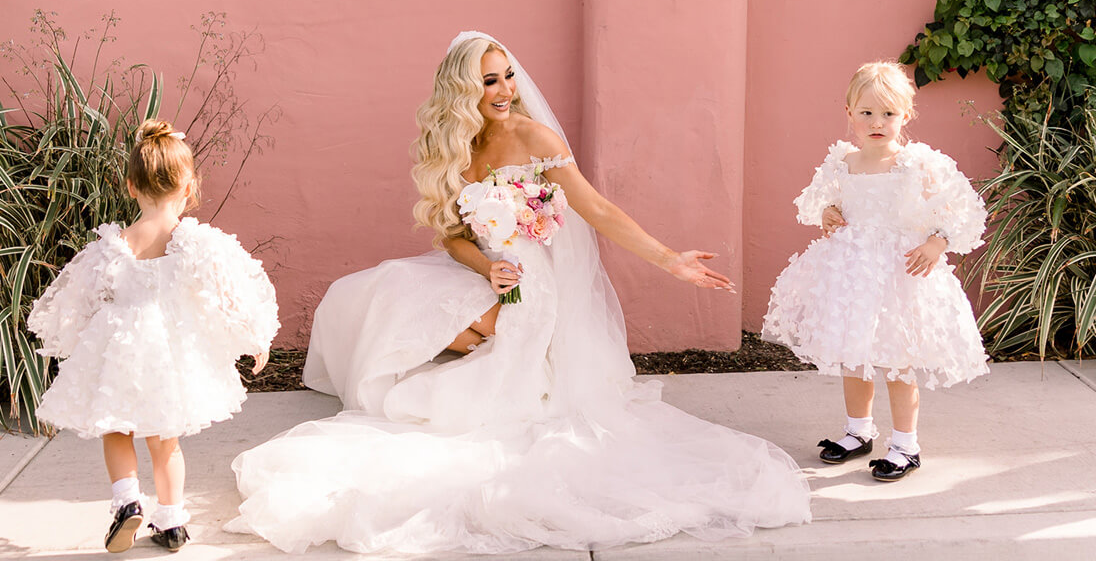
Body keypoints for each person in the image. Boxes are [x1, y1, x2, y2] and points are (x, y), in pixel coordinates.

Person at [226, 32, 810, 554]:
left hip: (535, 284)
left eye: (507, 75)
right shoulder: (455, 145)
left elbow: (596, 208)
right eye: (489, 80)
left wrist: (669, 260)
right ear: (462, 91)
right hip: (487, 270)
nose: (505, 89)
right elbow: (452, 237)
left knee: (476, 367)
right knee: (374, 288)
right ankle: (454, 343)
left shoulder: (533, 135)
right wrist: (486, 267)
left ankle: (475, 350)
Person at [28, 120, 279, 552]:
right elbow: (226, 290)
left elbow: (80, 297)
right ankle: (172, 520)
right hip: (169, 353)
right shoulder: (192, 240)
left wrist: (69, 339)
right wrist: (255, 336)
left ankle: (127, 501)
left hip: (119, 347)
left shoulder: (115, 242)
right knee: (166, 442)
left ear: (130, 186)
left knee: (116, 429)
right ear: (189, 187)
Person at [762, 61, 989, 481]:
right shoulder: (842, 161)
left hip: (901, 274)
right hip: (852, 277)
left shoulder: (918, 163)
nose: (877, 122)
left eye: (888, 113)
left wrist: (936, 242)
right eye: (866, 113)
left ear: (906, 116)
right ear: (849, 114)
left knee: (898, 362)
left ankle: (906, 444)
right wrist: (829, 212)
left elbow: (963, 210)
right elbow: (818, 203)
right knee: (855, 357)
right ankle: (858, 432)